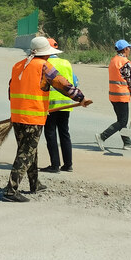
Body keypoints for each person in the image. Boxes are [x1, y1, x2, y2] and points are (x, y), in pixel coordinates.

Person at [4, 36, 92, 202]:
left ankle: (34, 183)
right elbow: (62, 84)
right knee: (26, 153)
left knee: (30, 150)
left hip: (17, 116)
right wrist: (81, 98)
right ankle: (11, 190)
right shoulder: (44, 67)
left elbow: (11, 90)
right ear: (46, 54)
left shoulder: (18, 66)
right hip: (33, 117)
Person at [95, 40, 131, 152]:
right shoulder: (125, 62)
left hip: (113, 95)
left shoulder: (114, 60)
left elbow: (128, 71)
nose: (130, 50)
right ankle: (102, 136)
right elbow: (130, 82)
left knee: (121, 120)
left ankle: (127, 143)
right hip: (121, 96)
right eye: (129, 48)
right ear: (124, 49)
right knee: (122, 122)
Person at [41, 38, 77, 173]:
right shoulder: (66, 62)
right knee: (64, 133)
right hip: (66, 103)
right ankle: (68, 165)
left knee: (50, 133)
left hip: (50, 104)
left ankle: (55, 165)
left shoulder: (44, 63)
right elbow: (75, 82)